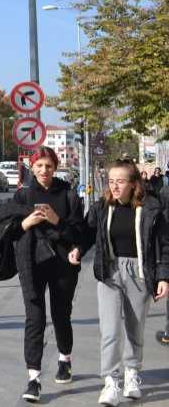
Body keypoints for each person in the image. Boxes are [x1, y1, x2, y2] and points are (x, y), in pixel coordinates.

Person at [69, 159, 169, 405]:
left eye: (120, 182)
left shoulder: (151, 208)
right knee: (110, 330)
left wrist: (164, 276)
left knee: (134, 329)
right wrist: (78, 249)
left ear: (134, 184)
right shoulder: (103, 207)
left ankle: (132, 373)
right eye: (111, 181)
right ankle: (111, 381)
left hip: (139, 273)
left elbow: (165, 244)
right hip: (109, 271)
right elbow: (89, 232)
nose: (114, 186)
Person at [0, 146, 84, 403]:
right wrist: (26, 223)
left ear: (55, 167)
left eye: (49, 166)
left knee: (60, 315)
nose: (44, 170)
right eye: (39, 166)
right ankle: (33, 378)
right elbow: (4, 229)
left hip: (62, 264)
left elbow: (79, 233)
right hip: (31, 264)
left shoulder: (68, 195)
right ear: (32, 167)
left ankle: (64, 359)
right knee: (34, 318)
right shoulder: (23, 196)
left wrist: (57, 220)